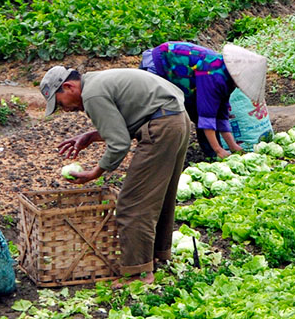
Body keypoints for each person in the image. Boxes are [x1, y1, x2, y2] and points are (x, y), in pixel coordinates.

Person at [43, 65, 191, 284]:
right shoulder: (98, 81)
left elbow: (119, 144)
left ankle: (138, 273)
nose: (64, 109)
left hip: (162, 126)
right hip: (177, 120)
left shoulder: (92, 94)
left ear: (68, 86)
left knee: (132, 203)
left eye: (60, 102)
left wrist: (96, 172)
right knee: (160, 196)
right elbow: (131, 119)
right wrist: (93, 136)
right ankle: (157, 256)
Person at [140, 42, 268, 160]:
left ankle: (211, 153)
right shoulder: (214, 76)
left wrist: (233, 146)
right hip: (161, 65)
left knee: (202, 114)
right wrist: (218, 149)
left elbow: (221, 113)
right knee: (164, 117)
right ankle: (158, 155)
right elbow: (206, 115)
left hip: (183, 74)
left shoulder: (227, 78)